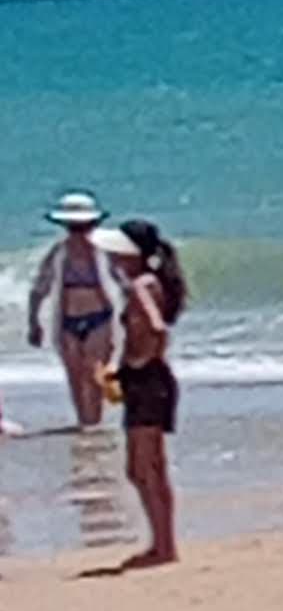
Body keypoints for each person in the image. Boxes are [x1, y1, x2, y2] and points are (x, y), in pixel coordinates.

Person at [110, 222, 185, 565]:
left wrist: (140, 361)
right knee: (147, 467)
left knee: (145, 468)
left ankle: (164, 546)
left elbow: (157, 328)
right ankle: (162, 542)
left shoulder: (141, 285)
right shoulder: (149, 282)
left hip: (147, 380)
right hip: (149, 380)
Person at [25, 196, 125, 431]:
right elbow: (40, 287)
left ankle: (94, 421)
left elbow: (124, 283)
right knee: (74, 374)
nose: (79, 233)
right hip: (67, 320)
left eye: (83, 227)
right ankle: (84, 422)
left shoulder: (104, 253)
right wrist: (34, 321)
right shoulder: (59, 254)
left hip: (99, 317)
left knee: (94, 372)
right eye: (74, 228)